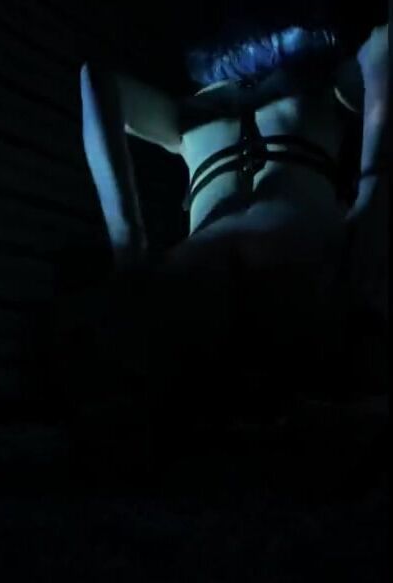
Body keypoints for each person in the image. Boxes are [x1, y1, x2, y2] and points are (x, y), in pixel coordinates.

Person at [74, 23, 388, 393]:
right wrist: (126, 241)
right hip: (243, 290)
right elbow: (95, 80)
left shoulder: (325, 91)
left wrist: (372, 196)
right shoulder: (181, 120)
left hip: (291, 282)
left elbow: (384, 44)